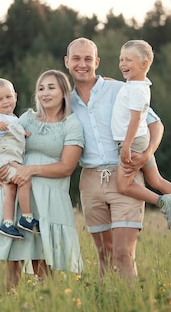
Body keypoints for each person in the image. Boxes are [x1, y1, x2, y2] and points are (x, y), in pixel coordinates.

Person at [64, 37, 165, 279]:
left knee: (123, 252)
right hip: (90, 181)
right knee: (105, 255)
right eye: (76, 58)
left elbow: (155, 123)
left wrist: (148, 153)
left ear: (97, 62)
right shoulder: (65, 102)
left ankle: (129, 303)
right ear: (67, 62)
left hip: (125, 176)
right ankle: (106, 302)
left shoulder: (120, 88)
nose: (82, 64)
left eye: (88, 58)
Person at [0, 70, 84, 291]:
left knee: (43, 262)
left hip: (49, 196)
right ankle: (9, 303)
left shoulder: (72, 123)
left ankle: (48, 302)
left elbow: (67, 167)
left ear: (64, 91)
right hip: (18, 195)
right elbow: (0, 146)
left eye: (51, 87)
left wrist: (30, 170)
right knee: (12, 259)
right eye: (41, 88)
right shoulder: (25, 118)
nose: (45, 93)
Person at [111, 40, 171, 238]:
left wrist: (126, 146)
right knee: (156, 179)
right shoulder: (137, 84)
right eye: (121, 59)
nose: (122, 63)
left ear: (144, 64)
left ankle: (162, 201)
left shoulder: (136, 90)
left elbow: (134, 120)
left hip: (133, 141)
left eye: (128, 60)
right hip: (141, 139)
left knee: (123, 185)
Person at [0, 78, 38, 240]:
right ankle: (27, 218)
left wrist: (23, 133)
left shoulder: (15, 119)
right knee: (25, 181)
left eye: (8, 97)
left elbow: (14, 134)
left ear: (15, 97)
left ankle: (8, 223)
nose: (5, 102)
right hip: (0, 161)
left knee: (10, 189)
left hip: (8, 161)